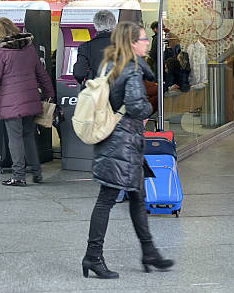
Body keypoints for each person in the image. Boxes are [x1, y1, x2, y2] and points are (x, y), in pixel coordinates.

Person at [82, 22, 173, 279]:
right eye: (143, 39)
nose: (146, 43)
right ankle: (92, 256)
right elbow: (135, 106)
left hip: (115, 139)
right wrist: (147, 108)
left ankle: (149, 251)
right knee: (106, 199)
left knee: (136, 196)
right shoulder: (132, 69)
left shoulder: (108, 64)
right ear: (132, 43)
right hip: (123, 144)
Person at [0, 18, 55, 186]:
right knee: (28, 136)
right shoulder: (28, 48)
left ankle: (19, 176)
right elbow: (41, 73)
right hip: (30, 99)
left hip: (11, 102)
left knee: (15, 139)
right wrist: (49, 93)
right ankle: (37, 173)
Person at [73, 10, 116, 85]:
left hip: (95, 92)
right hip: (118, 92)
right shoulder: (123, 45)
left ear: (95, 25)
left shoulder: (85, 47)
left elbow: (79, 74)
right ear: (114, 24)